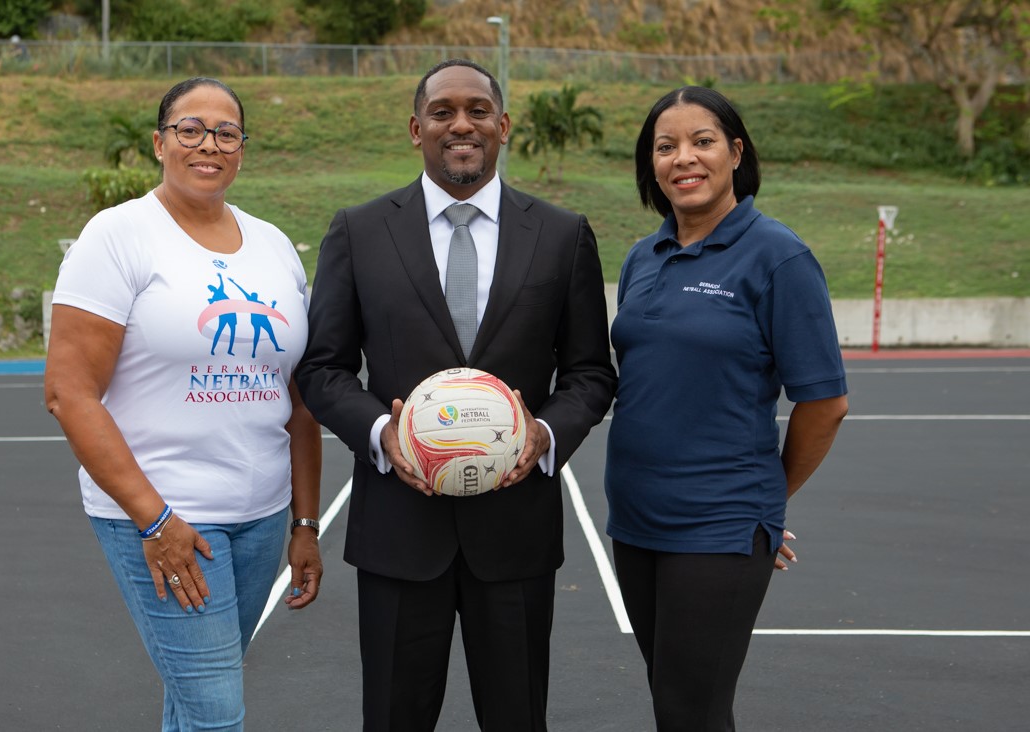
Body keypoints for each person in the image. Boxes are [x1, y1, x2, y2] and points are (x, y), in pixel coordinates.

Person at [296, 59, 616, 731]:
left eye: (477, 110)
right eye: (442, 111)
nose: (460, 123)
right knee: (392, 717)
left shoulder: (561, 234)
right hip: (398, 532)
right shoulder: (359, 231)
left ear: (503, 127)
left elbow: (590, 373)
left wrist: (546, 435)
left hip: (516, 533)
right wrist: (384, 435)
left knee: (518, 717)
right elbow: (323, 369)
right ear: (417, 129)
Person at [44, 76, 322, 731]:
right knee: (215, 713)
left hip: (259, 519)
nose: (209, 144)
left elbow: (299, 403)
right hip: (166, 517)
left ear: (242, 148)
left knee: (196, 703)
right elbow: (68, 392)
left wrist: (305, 524)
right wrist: (153, 520)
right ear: (159, 143)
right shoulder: (118, 237)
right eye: (190, 129)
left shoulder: (275, 247)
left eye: (227, 132)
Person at [605, 86, 849, 731]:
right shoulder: (642, 256)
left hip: (718, 524)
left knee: (693, 711)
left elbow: (824, 402)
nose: (684, 158)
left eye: (702, 141)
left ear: (736, 152)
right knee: (672, 701)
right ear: (651, 165)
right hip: (634, 522)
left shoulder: (778, 256)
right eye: (666, 146)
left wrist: (761, 506)